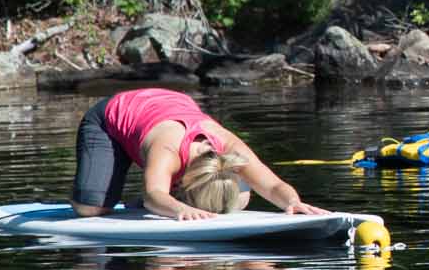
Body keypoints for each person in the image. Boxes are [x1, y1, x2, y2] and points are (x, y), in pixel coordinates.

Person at [71, 88, 327, 221]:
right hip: (110, 120)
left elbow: (271, 185)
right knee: (91, 209)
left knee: (240, 197)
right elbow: (153, 195)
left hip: (168, 107)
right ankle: (162, 194)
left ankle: (162, 196)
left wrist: (292, 201)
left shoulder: (230, 147)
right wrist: (181, 209)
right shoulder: (168, 150)